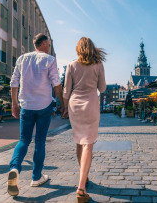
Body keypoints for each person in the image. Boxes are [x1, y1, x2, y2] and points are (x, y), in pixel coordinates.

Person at [7, 33, 65, 196]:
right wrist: (62, 104)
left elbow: (14, 82)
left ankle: (14, 169)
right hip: (44, 106)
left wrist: (14, 103)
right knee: (40, 140)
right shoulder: (49, 60)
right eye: (50, 44)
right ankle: (36, 177)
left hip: (26, 105)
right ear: (45, 43)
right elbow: (56, 84)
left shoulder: (22, 58)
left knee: (24, 140)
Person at [63, 37, 106, 203]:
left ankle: (83, 176)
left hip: (75, 105)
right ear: (92, 48)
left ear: (78, 49)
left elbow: (66, 91)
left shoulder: (71, 65)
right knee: (89, 144)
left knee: (80, 142)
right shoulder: (98, 65)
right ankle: (81, 188)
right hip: (91, 105)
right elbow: (102, 88)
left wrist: (64, 108)